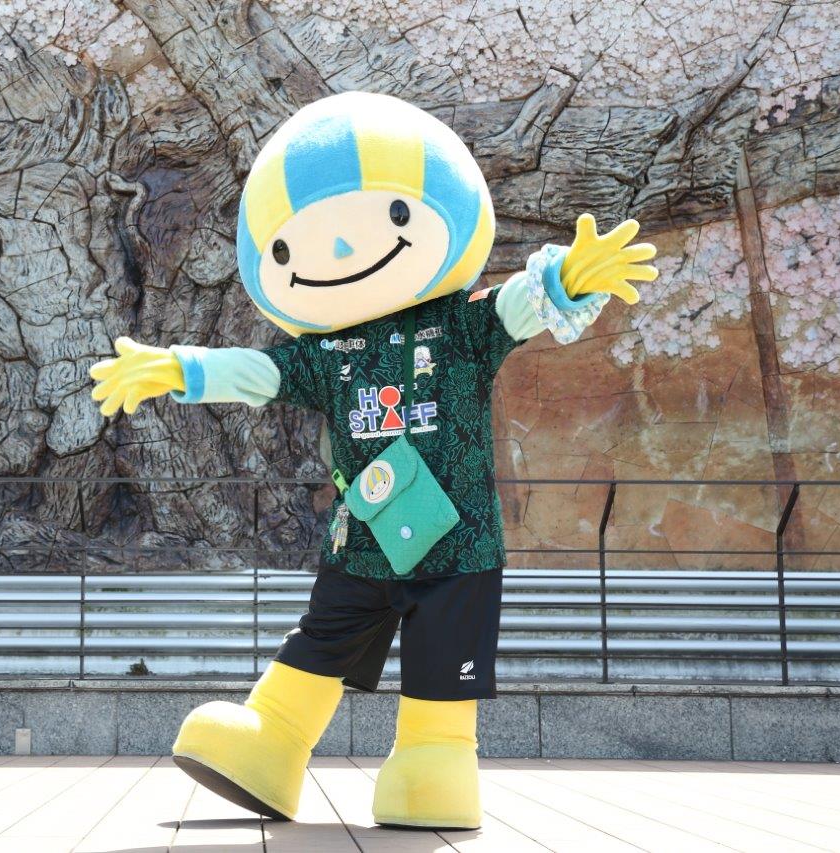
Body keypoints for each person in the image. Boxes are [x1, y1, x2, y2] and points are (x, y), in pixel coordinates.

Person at [89, 91, 656, 830]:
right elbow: (259, 374)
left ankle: (433, 762)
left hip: (456, 542)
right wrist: (178, 367)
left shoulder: (461, 326)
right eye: (287, 251)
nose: (341, 254)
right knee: (321, 637)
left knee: (439, 665)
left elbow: (519, 304)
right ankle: (271, 742)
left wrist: (567, 279)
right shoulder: (327, 355)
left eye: (392, 214)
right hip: (364, 538)